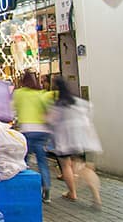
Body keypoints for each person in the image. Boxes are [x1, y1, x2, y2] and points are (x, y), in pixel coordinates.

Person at [48, 77, 103, 209]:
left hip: (65, 141)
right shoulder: (78, 102)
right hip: (84, 140)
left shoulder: (59, 104)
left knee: (66, 166)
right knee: (84, 168)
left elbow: (50, 120)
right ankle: (97, 197)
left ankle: (72, 193)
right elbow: (90, 111)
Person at [13, 69, 54, 203]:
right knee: (42, 161)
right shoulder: (41, 94)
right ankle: (46, 188)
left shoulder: (19, 94)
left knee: (23, 160)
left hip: (27, 131)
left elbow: (13, 110)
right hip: (42, 131)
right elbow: (48, 111)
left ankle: (24, 187)